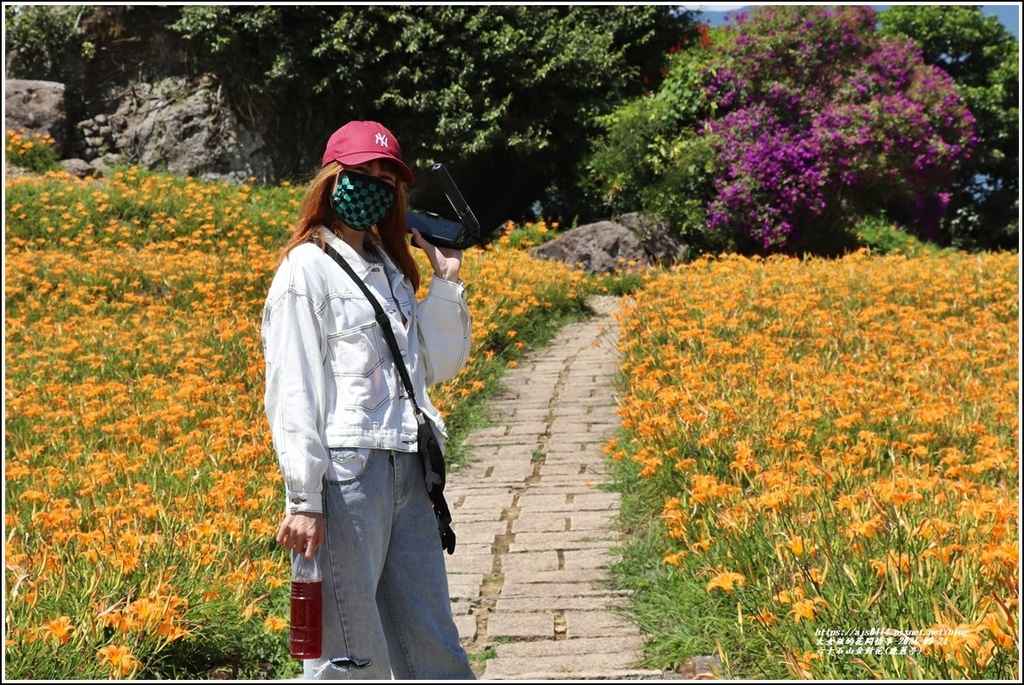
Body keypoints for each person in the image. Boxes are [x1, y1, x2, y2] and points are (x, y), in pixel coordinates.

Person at [261, 120, 475, 680]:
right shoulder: (305, 270)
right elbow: (292, 388)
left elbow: (436, 365)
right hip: (347, 480)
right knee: (349, 656)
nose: (375, 185)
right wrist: (304, 498)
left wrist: (446, 283)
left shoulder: (388, 267)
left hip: (408, 468)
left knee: (434, 649)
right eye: (362, 173)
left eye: (387, 176)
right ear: (332, 180)